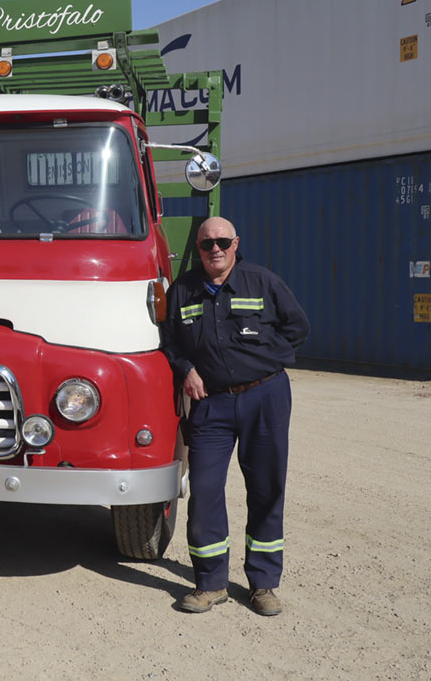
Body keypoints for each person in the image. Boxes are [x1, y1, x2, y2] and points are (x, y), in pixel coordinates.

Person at [161, 216, 310, 616]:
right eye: (207, 243)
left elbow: (297, 328)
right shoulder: (183, 290)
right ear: (198, 246)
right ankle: (210, 584)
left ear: (235, 243)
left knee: (266, 488)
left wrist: (263, 363)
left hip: (265, 397)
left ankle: (262, 584)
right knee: (205, 491)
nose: (215, 249)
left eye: (223, 242)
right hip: (211, 403)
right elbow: (169, 341)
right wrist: (185, 369)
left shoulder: (263, 282)